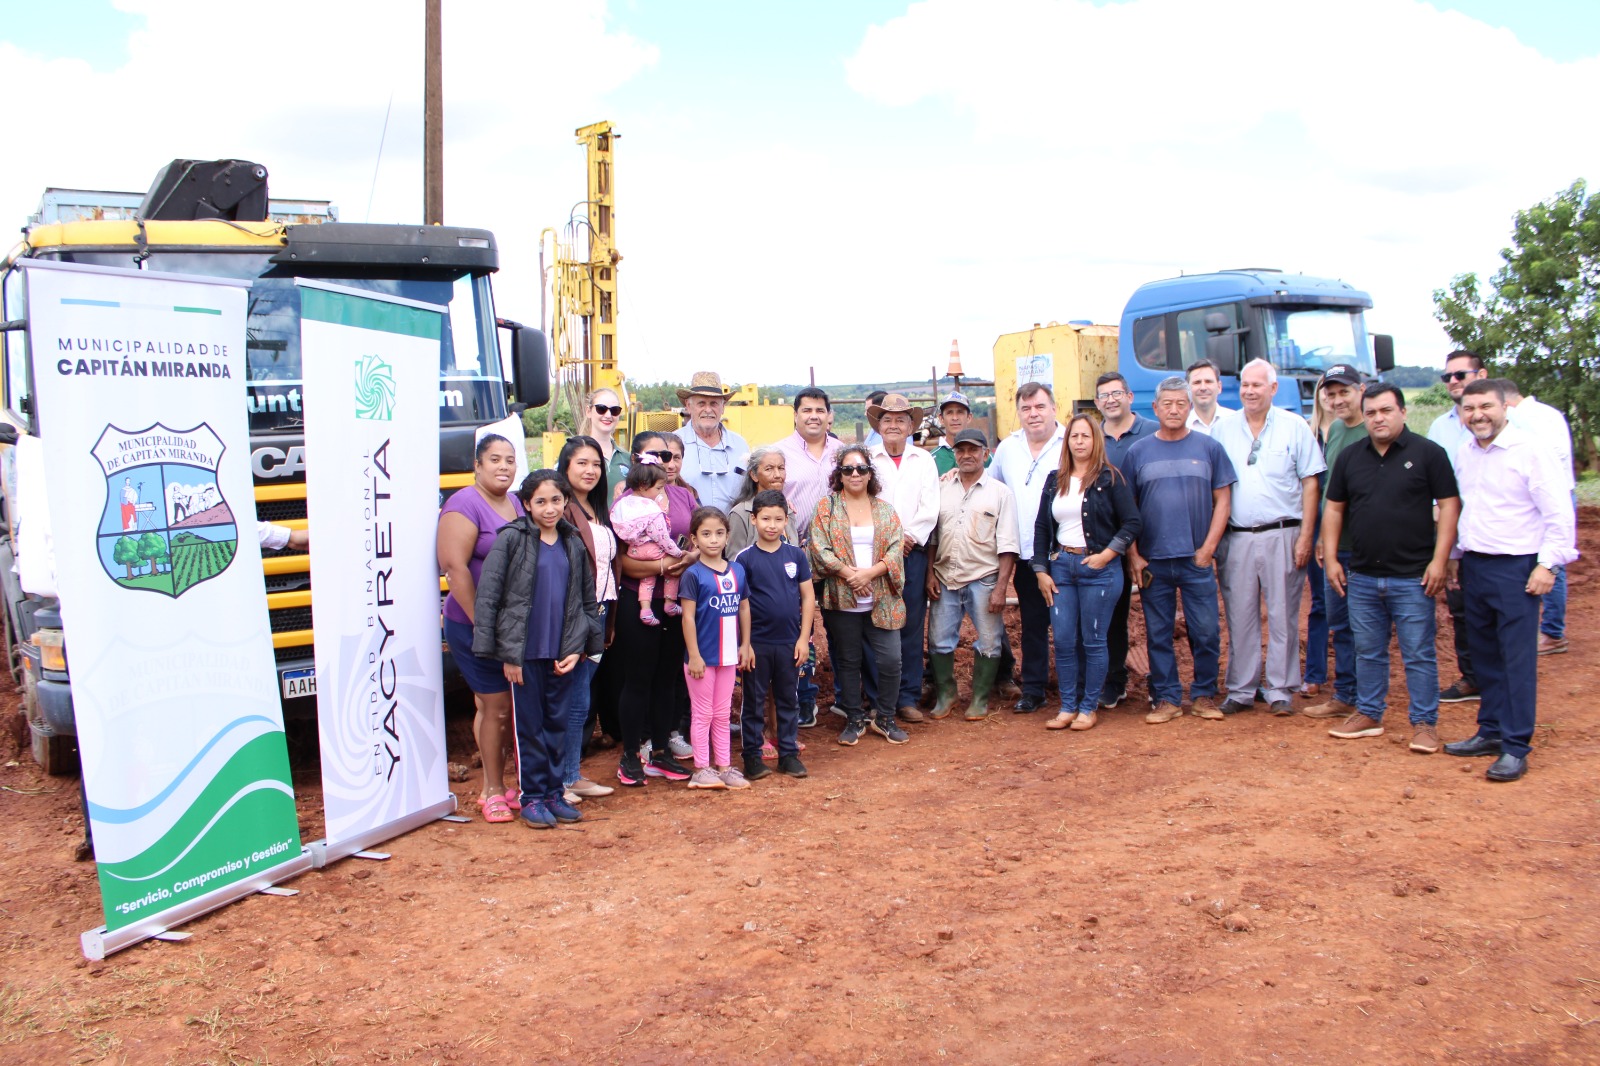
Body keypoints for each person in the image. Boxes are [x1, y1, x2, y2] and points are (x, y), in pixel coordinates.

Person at [1442, 380, 1578, 782]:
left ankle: (1516, 746)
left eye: (1486, 406)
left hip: (1517, 568)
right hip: (1476, 565)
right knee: (1484, 655)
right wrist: (1455, 557)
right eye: (1469, 408)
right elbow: (1466, 508)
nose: (1477, 415)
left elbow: (1558, 513)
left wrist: (1547, 565)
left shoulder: (1530, 450)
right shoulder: (1466, 452)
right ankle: (1490, 731)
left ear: (1505, 408)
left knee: (1516, 659)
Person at [1321, 385, 1460, 754]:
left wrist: (1440, 560)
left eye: (1385, 411)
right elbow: (1334, 508)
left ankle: (1425, 723)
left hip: (1413, 577)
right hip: (1362, 575)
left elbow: (1449, 505)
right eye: (1371, 413)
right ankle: (1369, 713)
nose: (1378, 419)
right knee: (1367, 650)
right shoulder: (1351, 457)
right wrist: (1331, 558)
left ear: (1403, 412)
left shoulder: (1428, 454)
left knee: (1418, 653)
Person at [472, 469, 603, 829]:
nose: (550, 508)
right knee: (530, 729)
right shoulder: (511, 540)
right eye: (541, 501)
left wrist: (580, 647)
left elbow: (585, 601)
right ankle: (531, 797)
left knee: (557, 725)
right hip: (525, 656)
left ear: (566, 502)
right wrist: (507, 655)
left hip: (561, 654)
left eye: (556, 500)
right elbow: (489, 598)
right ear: (527, 504)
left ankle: (553, 794)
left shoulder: (572, 541)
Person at [1212, 360, 1325, 716]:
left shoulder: (1295, 427)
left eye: (1257, 385)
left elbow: (1311, 483)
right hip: (1237, 537)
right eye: (1245, 385)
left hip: (1284, 534)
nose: (1249, 391)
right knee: (1239, 614)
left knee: (1283, 614)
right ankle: (1241, 690)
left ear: (1273, 389)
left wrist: (1306, 536)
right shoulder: (1223, 429)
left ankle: (1279, 689)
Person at [1124, 377, 1236, 724]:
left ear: (1190, 407)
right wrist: (1134, 556)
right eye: (1167, 404)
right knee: (1158, 634)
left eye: (1180, 403)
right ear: (1155, 408)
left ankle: (1203, 695)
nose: (1174, 409)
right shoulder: (1138, 452)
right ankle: (1167, 698)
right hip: (1153, 562)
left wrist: (1208, 549)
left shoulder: (1209, 448)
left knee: (1206, 631)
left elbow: (1223, 501)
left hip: (1195, 560)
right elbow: (1127, 510)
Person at [437, 434, 526, 823]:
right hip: (473, 623)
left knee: (506, 707)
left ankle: (510, 784)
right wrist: (484, 626)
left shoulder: (516, 503)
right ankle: (490, 789)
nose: (503, 466)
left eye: (509, 460)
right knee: (496, 706)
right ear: (477, 465)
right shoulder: (463, 504)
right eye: (495, 459)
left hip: (513, 625)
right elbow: (454, 570)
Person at [1034, 416, 1141, 731]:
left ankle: (1088, 706)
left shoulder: (1110, 478)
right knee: (1064, 639)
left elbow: (1132, 522)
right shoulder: (1055, 480)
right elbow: (1041, 527)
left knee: (1094, 640)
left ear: (1096, 441)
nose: (1079, 442)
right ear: (1067, 442)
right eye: (1074, 436)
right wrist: (1040, 569)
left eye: (1085, 436)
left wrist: (1107, 554)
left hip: (1099, 570)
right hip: (1061, 567)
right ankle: (1067, 706)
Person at [611, 431, 700, 786]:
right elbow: (622, 559)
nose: (664, 462)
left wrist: (692, 557)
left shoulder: (683, 495)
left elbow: (699, 537)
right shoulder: (629, 500)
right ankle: (631, 755)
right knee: (638, 680)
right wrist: (664, 566)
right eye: (656, 455)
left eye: (669, 455)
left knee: (667, 679)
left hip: (676, 601)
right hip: (638, 599)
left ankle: (661, 752)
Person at [809, 446, 909, 746]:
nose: (855, 474)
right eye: (848, 469)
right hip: (842, 597)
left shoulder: (885, 510)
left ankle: (885, 717)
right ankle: (854, 717)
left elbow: (896, 548)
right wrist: (851, 576)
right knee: (848, 660)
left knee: (891, 660)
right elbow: (818, 547)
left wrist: (869, 574)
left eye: (861, 468)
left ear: (869, 474)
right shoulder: (826, 507)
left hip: (881, 597)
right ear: (839, 475)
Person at [925, 428, 1018, 720]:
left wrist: (1001, 588)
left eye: (973, 450)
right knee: (939, 640)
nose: (967, 455)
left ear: (985, 454)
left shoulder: (1000, 493)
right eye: (961, 450)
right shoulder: (942, 489)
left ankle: (979, 698)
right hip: (945, 577)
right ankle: (947, 694)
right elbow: (933, 537)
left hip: (984, 578)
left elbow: (1008, 545)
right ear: (954, 454)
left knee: (989, 641)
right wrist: (930, 574)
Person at [989, 382, 1067, 712]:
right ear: (1019, 412)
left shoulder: (1071, 442)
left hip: (1065, 552)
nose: (1033, 414)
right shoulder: (1008, 448)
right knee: (1033, 624)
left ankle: (1077, 687)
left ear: (1054, 408)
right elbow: (991, 487)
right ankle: (1034, 689)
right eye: (1026, 408)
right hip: (1025, 554)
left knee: (1069, 624)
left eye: (1039, 406)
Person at [865, 393, 940, 723]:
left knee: (910, 624)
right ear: (878, 425)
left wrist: (906, 539)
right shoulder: (867, 459)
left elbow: (930, 507)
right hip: (873, 555)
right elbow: (859, 501)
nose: (893, 425)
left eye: (900, 420)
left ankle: (907, 697)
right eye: (887, 419)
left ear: (911, 426)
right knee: (874, 624)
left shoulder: (923, 460)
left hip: (912, 554)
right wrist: (886, 543)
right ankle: (877, 699)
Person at [554, 435, 619, 802]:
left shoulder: (597, 508)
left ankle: (570, 774)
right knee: (569, 696)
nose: (590, 470)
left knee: (581, 699)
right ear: (565, 467)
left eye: (596, 464)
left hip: (600, 611)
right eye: (581, 463)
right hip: (574, 615)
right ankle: (555, 780)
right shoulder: (561, 509)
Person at [734, 489, 815, 780]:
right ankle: (752, 758)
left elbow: (808, 597)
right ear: (753, 519)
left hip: (789, 643)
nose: (772, 525)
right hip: (757, 643)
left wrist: (803, 639)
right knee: (754, 701)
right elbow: (740, 604)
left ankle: (788, 755)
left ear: (786, 521)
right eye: (765, 518)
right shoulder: (744, 559)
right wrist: (745, 644)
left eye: (778, 519)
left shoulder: (796, 555)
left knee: (788, 699)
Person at [1303, 366, 1367, 718]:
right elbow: (1331, 492)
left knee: (1367, 624)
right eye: (1332, 394)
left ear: (1361, 390)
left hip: (1369, 545)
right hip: (1337, 544)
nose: (1338, 400)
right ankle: (1346, 693)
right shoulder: (1338, 430)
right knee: (1340, 622)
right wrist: (1324, 539)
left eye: (1345, 392)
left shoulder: (1373, 429)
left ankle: (1369, 699)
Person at [774, 387, 839, 727]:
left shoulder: (843, 453)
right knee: (800, 630)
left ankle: (847, 698)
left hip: (839, 557)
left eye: (819, 410)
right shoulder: (779, 453)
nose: (814, 416)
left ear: (829, 415)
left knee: (842, 628)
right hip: (795, 556)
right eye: (807, 410)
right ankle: (803, 698)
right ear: (796, 415)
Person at [677, 506, 754, 790]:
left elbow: (744, 608)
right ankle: (701, 769)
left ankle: (724, 766)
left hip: (728, 656)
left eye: (719, 533)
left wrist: (745, 644)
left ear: (727, 536)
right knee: (703, 713)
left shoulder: (737, 571)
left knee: (722, 713)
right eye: (706, 534)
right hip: (701, 658)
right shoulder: (693, 574)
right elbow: (687, 618)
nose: (713, 540)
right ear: (694, 539)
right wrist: (694, 655)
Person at [1427, 350, 1488, 705]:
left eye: (1460, 375)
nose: (1452, 381)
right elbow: (1435, 488)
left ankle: (1502, 682)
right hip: (1457, 535)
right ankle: (1472, 678)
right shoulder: (1440, 428)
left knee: (1499, 613)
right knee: (1461, 609)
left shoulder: (1508, 425)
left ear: (1481, 375)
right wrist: (1446, 549)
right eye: (1447, 376)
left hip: (1498, 539)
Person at [1094, 371, 1158, 710]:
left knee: (1158, 614)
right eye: (1104, 395)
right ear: (1097, 402)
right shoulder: (1093, 438)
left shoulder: (1152, 432)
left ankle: (1161, 684)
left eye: (1116, 393)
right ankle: (1115, 681)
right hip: (1111, 543)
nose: (1111, 400)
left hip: (1154, 538)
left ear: (1130, 396)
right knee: (1113, 617)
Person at [1500, 378, 1577, 656]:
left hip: (1549, 496)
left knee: (1550, 561)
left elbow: (1551, 456)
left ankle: (1552, 632)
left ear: (1505, 403)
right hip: (1544, 495)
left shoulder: (1535, 417)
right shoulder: (1546, 413)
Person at [610, 459, 685, 626]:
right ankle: (670, 602)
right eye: (658, 488)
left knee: (647, 578)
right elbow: (661, 537)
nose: (660, 492)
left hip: (634, 550)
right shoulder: (650, 509)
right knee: (673, 569)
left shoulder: (623, 503)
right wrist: (677, 553)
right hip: (652, 549)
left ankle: (645, 609)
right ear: (644, 486)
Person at [674, 371, 750, 512]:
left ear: (723, 407)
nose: (708, 410)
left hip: (733, 525)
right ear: (688, 406)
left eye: (714, 404)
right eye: (701, 403)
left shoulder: (740, 445)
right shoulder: (673, 444)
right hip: (688, 526)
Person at [726, 445, 798, 558]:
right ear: (754, 475)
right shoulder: (740, 513)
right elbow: (734, 560)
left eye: (781, 468)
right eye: (769, 469)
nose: (777, 475)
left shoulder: (788, 510)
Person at [577, 386, 630, 495]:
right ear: (588, 411)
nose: (608, 415)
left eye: (614, 410)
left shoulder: (627, 458)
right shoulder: (574, 453)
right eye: (601, 409)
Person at [930, 391, 980, 475]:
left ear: (969, 417)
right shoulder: (931, 459)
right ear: (941, 419)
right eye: (949, 412)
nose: (955, 418)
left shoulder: (983, 456)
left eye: (960, 412)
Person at [1184, 359, 1235, 435]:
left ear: (1219, 387)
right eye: (1197, 382)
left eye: (1208, 382)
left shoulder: (1236, 421)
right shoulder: (1181, 426)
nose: (1203, 388)